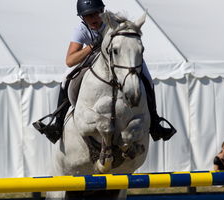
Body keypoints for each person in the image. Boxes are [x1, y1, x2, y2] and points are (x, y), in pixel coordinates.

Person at [33, 0, 176, 144]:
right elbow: (70, 60)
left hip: (120, 60)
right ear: (82, 17)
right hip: (93, 59)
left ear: (102, 11)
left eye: (96, 14)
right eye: (88, 16)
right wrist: (90, 47)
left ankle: (155, 122)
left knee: (148, 80)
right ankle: (57, 123)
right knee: (65, 79)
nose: (93, 19)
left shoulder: (113, 23)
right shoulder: (81, 30)